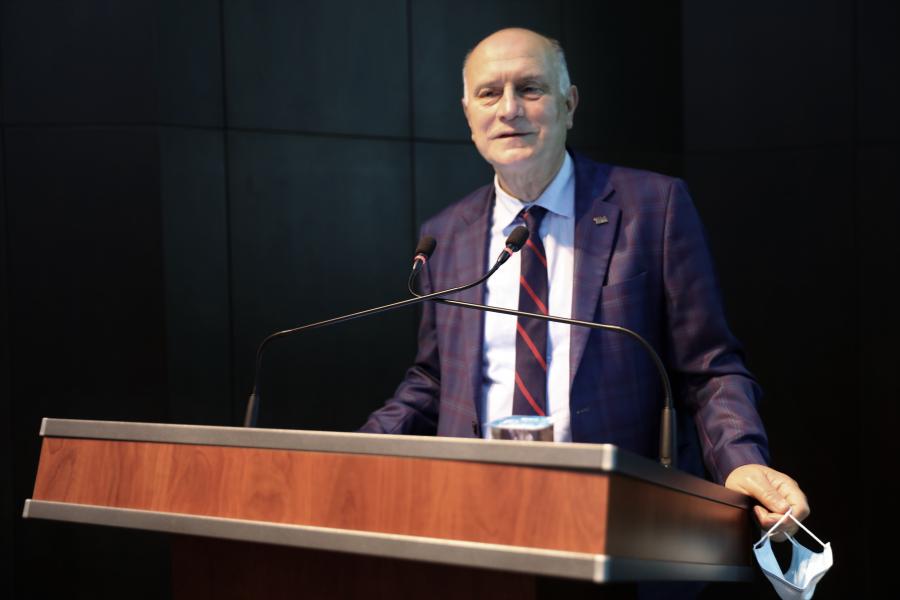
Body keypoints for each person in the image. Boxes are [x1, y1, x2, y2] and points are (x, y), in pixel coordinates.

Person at [360, 27, 808, 536]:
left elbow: (708, 368)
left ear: (569, 105)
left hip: (618, 516)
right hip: (476, 513)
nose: (509, 109)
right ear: (468, 116)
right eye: (489, 93)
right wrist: (356, 452)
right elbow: (435, 381)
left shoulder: (652, 208)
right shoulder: (445, 235)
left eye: (530, 89)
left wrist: (740, 461)